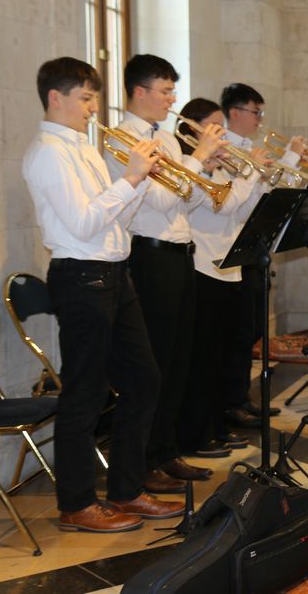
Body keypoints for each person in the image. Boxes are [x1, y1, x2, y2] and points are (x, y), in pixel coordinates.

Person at [23, 57, 183, 532]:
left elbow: (114, 216)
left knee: (143, 380)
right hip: (81, 277)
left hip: (114, 273)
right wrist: (131, 178)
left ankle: (126, 490)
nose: (94, 108)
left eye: (94, 98)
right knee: (86, 391)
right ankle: (75, 503)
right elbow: (84, 222)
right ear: (56, 98)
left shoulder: (84, 148)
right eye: (86, 99)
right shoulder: (49, 152)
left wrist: (143, 177)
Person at [107, 54, 228, 493]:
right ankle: (144, 461)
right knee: (155, 362)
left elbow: (188, 200)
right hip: (150, 257)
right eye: (165, 91)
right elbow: (158, 201)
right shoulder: (123, 138)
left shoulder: (165, 139)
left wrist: (200, 167)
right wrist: (198, 159)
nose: (171, 99)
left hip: (180, 254)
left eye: (173, 91)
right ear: (139, 91)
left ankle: (165, 450)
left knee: (179, 359)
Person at [174, 98, 272, 460]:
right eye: (215, 128)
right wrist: (249, 175)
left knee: (222, 358)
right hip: (203, 268)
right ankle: (199, 433)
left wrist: (256, 180)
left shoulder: (216, 170)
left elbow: (242, 211)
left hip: (227, 267)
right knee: (205, 359)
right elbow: (224, 204)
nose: (223, 136)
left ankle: (216, 425)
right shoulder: (190, 167)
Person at [218, 83, 304, 429]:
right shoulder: (224, 150)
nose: (260, 120)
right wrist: (262, 169)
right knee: (236, 331)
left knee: (251, 328)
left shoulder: (249, 150)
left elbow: (266, 197)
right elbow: (236, 204)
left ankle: (241, 397)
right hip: (231, 246)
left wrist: (281, 166)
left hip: (254, 244)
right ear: (235, 112)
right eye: (255, 112)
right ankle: (229, 402)